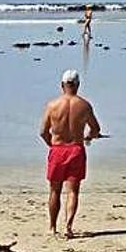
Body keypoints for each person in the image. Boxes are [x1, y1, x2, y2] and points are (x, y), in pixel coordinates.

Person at [39, 69, 101, 239]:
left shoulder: (52, 106)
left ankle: (52, 227)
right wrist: (88, 137)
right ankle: (68, 226)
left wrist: (51, 145)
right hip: (76, 149)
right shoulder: (84, 105)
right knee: (73, 191)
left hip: (57, 149)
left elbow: (43, 131)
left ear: (62, 85)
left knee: (54, 190)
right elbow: (95, 129)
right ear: (78, 85)